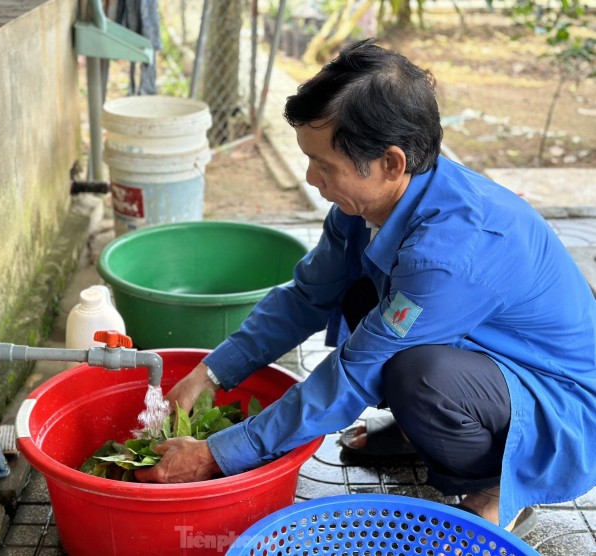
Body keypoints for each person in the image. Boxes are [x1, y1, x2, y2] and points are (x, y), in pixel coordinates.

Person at [136, 38, 596, 533]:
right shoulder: (364, 207)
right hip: (482, 355)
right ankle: (420, 429)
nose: (312, 178)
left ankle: (497, 485)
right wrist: (211, 374)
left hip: (558, 399)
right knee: (360, 298)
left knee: (414, 373)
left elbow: (355, 372)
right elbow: (306, 296)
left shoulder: (449, 252)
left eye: (324, 165)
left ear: (391, 163)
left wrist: (217, 454)